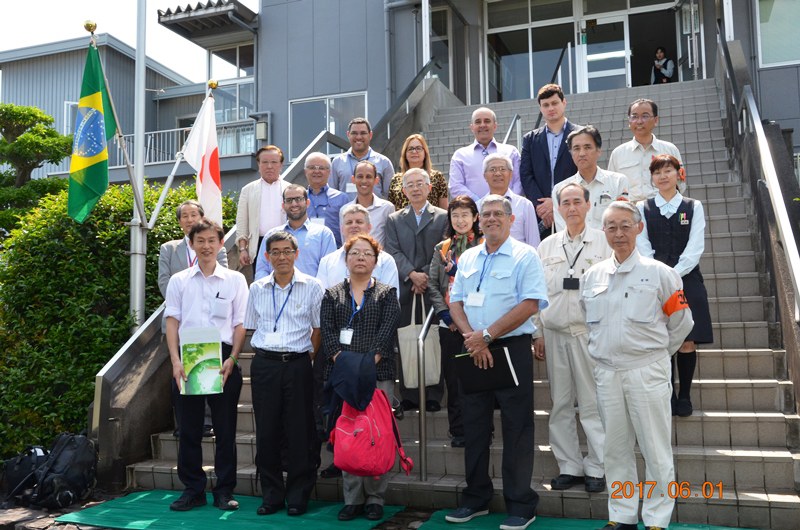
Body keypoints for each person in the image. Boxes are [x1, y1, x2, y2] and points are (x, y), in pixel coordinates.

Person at [582, 201, 693, 530]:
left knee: (656, 450)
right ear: (604, 231)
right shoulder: (592, 276)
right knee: (614, 449)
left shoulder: (661, 274)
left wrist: (656, 354)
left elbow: (682, 324)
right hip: (607, 374)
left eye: (625, 226)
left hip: (647, 371)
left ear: (639, 228)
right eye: (612, 227)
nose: (619, 233)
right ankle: (622, 515)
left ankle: (658, 519)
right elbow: (592, 327)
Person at [445, 195, 547, 530]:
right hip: (473, 348)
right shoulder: (469, 257)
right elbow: (455, 300)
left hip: (510, 349)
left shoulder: (525, 255)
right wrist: (473, 338)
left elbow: (531, 303)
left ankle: (520, 504)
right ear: (478, 220)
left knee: (517, 427)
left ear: (510, 219)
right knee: (474, 426)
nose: (490, 219)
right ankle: (476, 499)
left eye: (497, 214)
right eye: (485, 214)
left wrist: (487, 335)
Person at [164, 218, 248, 512]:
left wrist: (233, 359)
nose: (207, 246)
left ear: (221, 243)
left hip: (223, 356)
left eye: (212, 240)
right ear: (192, 244)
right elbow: (171, 322)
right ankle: (193, 489)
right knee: (188, 429)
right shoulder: (179, 281)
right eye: (200, 241)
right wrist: (175, 362)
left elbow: (240, 324)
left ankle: (224, 490)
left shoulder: (235, 280)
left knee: (226, 430)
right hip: (188, 357)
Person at [533, 183, 610, 493]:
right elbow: (537, 295)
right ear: (559, 208)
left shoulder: (604, 243)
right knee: (561, 403)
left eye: (578, 201)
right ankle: (569, 465)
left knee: (592, 403)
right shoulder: (546, 246)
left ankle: (597, 466)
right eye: (566, 202)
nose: (572, 207)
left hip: (589, 333)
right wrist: (537, 332)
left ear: (588, 205)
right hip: (554, 335)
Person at [315, 204, 401, 480]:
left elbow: (387, 329)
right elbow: (327, 331)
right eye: (355, 253)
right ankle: (351, 499)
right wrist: (343, 361)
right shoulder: (332, 294)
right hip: (342, 373)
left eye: (367, 254)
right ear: (346, 259)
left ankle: (376, 497)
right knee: (348, 429)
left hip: (378, 370)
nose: (360, 258)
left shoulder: (386, 294)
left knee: (377, 430)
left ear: (376, 260)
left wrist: (368, 362)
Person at [245, 231, 324, 517]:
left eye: (287, 251)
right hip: (265, 365)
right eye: (275, 252)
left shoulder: (313, 286)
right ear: (267, 257)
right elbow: (253, 327)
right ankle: (272, 495)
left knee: (299, 431)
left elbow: (317, 330)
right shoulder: (257, 288)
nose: (281, 257)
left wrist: (306, 357)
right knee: (267, 431)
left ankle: (299, 495)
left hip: (298, 364)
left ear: (296, 253)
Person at [636, 154, 713, 417]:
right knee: (663, 339)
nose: (662, 176)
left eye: (668, 170)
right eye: (657, 172)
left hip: (687, 280)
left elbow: (695, 249)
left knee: (687, 340)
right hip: (655, 282)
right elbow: (643, 246)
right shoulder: (642, 208)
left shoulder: (694, 206)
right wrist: (661, 276)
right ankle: (667, 393)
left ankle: (685, 395)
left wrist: (673, 275)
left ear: (678, 173)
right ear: (652, 177)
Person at [158, 200, 228, 438]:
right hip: (181, 322)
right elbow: (164, 281)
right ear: (179, 223)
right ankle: (183, 424)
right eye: (184, 216)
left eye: (193, 214)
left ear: (201, 216)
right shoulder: (169, 248)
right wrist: (187, 300)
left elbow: (223, 280)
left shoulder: (218, 248)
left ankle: (207, 422)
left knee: (209, 371)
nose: (189, 219)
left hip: (212, 325)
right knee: (180, 374)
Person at [384, 168, 449, 412]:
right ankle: (409, 393)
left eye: (420, 183)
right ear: (403, 191)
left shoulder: (443, 216)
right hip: (406, 286)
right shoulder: (394, 219)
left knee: (433, 337)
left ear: (430, 187)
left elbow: (442, 248)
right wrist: (411, 274)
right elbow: (392, 250)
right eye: (409, 184)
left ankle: (433, 393)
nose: (415, 188)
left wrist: (424, 274)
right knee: (407, 338)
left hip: (432, 285)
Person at [428, 195, 483, 448]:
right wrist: (445, 314)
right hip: (449, 324)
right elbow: (432, 284)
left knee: (479, 379)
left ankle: (483, 429)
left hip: (478, 323)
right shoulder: (442, 247)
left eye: (465, 215)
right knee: (453, 379)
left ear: (475, 217)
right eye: (455, 215)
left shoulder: (485, 244)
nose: (460, 220)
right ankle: (458, 429)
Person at [520, 83, 578, 241]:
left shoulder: (580, 135)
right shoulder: (530, 139)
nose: (550, 108)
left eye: (554, 103)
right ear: (540, 108)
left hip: (573, 208)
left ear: (564, 103)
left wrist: (557, 202)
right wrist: (542, 206)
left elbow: (583, 172)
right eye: (545, 105)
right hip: (542, 214)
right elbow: (526, 175)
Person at [552, 126, 629, 232]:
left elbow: (623, 221)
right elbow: (563, 230)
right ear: (571, 154)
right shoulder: (560, 189)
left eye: (587, 147)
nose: (582, 153)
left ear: (598, 151)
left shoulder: (618, 182)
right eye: (576, 148)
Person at [254, 184, 337, 280]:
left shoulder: (323, 234)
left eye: (298, 199)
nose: (294, 204)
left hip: (312, 293)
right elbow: (262, 270)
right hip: (276, 293)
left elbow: (329, 270)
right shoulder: (271, 235)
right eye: (289, 200)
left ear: (307, 202)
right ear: (283, 205)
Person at [608, 99, 682, 202]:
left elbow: (681, 183)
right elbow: (611, 186)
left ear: (656, 120)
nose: (639, 121)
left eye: (645, 116)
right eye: (634, 117)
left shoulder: (670, 150)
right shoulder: (618, 153)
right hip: (630, 212)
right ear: (629, 121)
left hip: (663, 209)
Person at [317, 204, 400, 293]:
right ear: (342, 229)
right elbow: (322, 297)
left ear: (369, 227)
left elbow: (391, 297)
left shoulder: (385, 260)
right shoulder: (327, 262)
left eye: (359, 222)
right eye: (349, 222)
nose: (354, 226)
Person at [449, 107, 522, 202]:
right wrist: (480, 203)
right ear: (471, 127)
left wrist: (506, 202)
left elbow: (519, 181)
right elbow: (455, 186)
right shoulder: (460, 155)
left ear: (495, 126)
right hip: (475, 211)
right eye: (478, 122)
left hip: (509, 210)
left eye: (487, 121)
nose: (482, 125)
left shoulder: (511, 151)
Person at [235, 145, 290, 274]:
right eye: (265, 162)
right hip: (259, 245)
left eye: (274, 162)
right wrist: (243, 249)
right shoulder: (248, 190)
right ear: (258, 164)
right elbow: (242, 223)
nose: (269, 166)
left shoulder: (290, 189)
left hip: (286, 243)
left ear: (281, 165)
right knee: (261, 282)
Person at [476, 153, 540, 247]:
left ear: (510, 175)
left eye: (502, 169)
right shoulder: (477, 206)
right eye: (492, 170)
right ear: (485, 176)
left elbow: (534, 242)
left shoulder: (524, 205)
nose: (497, 173)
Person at [330, 117, 394, 200]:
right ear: (348, 135)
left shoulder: (384, 162)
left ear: (370, 135)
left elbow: (389, 196)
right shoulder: (337, 162)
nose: (359, 137)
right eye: (354, 133)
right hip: (345, 212)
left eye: (363, 133)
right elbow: (332, 194)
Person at [340, 160, 396, 247]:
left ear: (376, 180)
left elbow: (391, 242)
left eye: (369, 177)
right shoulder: (345, 210)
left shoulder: (387, 208)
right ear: (353, 179)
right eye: (360, 176)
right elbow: (344, 241)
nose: (364, 181)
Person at [388, 133, 449, 210]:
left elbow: (444, 210)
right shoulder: (396, 179)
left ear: (425, 152)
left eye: (418, 148)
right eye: (410, 149)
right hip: (403, 222)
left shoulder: (437, 177)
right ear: (405, 153)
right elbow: (392, 210)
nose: (414, 152)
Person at [305, 151, 350, 247]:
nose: (316, 171)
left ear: (329, 172)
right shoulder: (298, 199)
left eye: (321, 168)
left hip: (335, 251)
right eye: (312, 167)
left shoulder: (342, 198)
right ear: (305, 171)